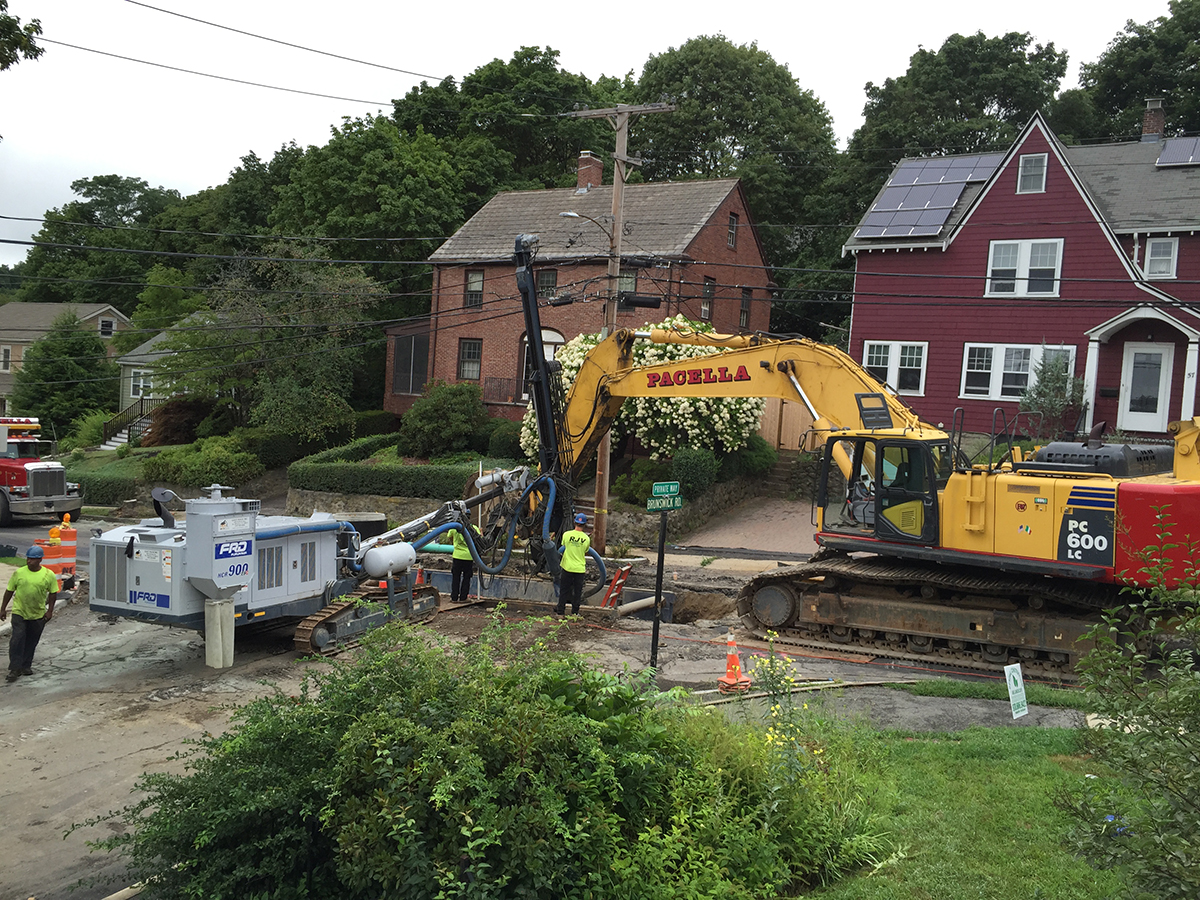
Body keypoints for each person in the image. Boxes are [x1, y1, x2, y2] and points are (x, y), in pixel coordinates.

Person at [2, 545, 59, 682]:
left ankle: (25, 665)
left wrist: (50, 611)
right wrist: (3, 608)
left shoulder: (48, 575)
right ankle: (14, 669)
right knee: (17, 639)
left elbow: (53, 593)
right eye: (28, 558)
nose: (29, 561)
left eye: (32, 559)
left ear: (39, 560)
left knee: (31, 641)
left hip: (38, 613)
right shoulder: (19, 573)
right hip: (19, 611)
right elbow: (9, 591)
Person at [555, 513, 591, 616]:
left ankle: (560, 612)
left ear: (574, 522)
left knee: (564, 590)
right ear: (584, 525)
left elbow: (563, 546)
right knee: (577, 592)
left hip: (567, 567)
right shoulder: (586, 539)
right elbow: (586, 550)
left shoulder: (566, 535)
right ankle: (575, 613)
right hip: (579, 569)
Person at [449, 520, 483, 604]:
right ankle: (463, 597)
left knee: (456, 577)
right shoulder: (474, 528)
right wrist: (481, 531)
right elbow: (481, 540)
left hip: (457, 555)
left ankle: (454, 597)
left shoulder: (454, 527)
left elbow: (450, 537)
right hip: (469, 556)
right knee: (466, 577)